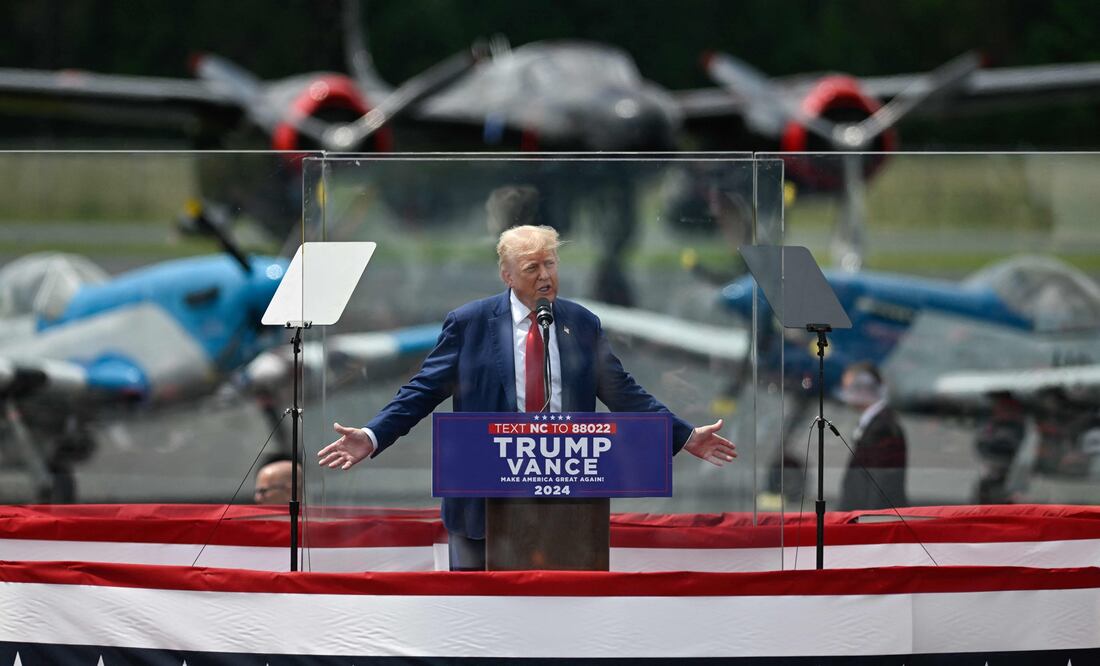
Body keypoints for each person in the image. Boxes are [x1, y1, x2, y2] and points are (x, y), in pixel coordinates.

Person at [317, 224, 737, 570]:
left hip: (565, 503)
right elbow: (422, 390)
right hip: (483, 503)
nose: (545, 276)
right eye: (532, 267)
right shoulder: (470, 324)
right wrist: (372, 436)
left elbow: (622, 390)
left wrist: (683, 436)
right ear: (507, 275)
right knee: (478, 617)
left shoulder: (581, 323)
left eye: (550, 264)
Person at [838, 361, 907, 511]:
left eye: (849, 387)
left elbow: (882, 483)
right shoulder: (876, 423)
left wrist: (871, 521)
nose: (845, 393)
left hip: (869, 520)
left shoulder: (883, 428)